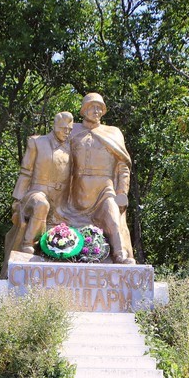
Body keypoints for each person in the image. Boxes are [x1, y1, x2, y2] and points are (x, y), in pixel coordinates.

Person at [0, 112, 74, 277]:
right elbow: (26, 172)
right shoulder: (37, 142)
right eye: (63, 128)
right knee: (41, 205)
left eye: (69, 129)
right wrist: (17, 200)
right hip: (36, 193)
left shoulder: (72, 148)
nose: (66, 132)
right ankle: (27, 247)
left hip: (61, 200)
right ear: (54, 126)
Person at [67, 93, 134, 264]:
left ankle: (120, 254)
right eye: (92, 107)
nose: (96, 111)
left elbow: (122, 165)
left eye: (99, 108)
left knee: (112, 216)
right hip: (74, 194)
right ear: (83, 110)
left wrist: (122, 191)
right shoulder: (71, 130)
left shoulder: (113, 133)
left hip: (104, 189)